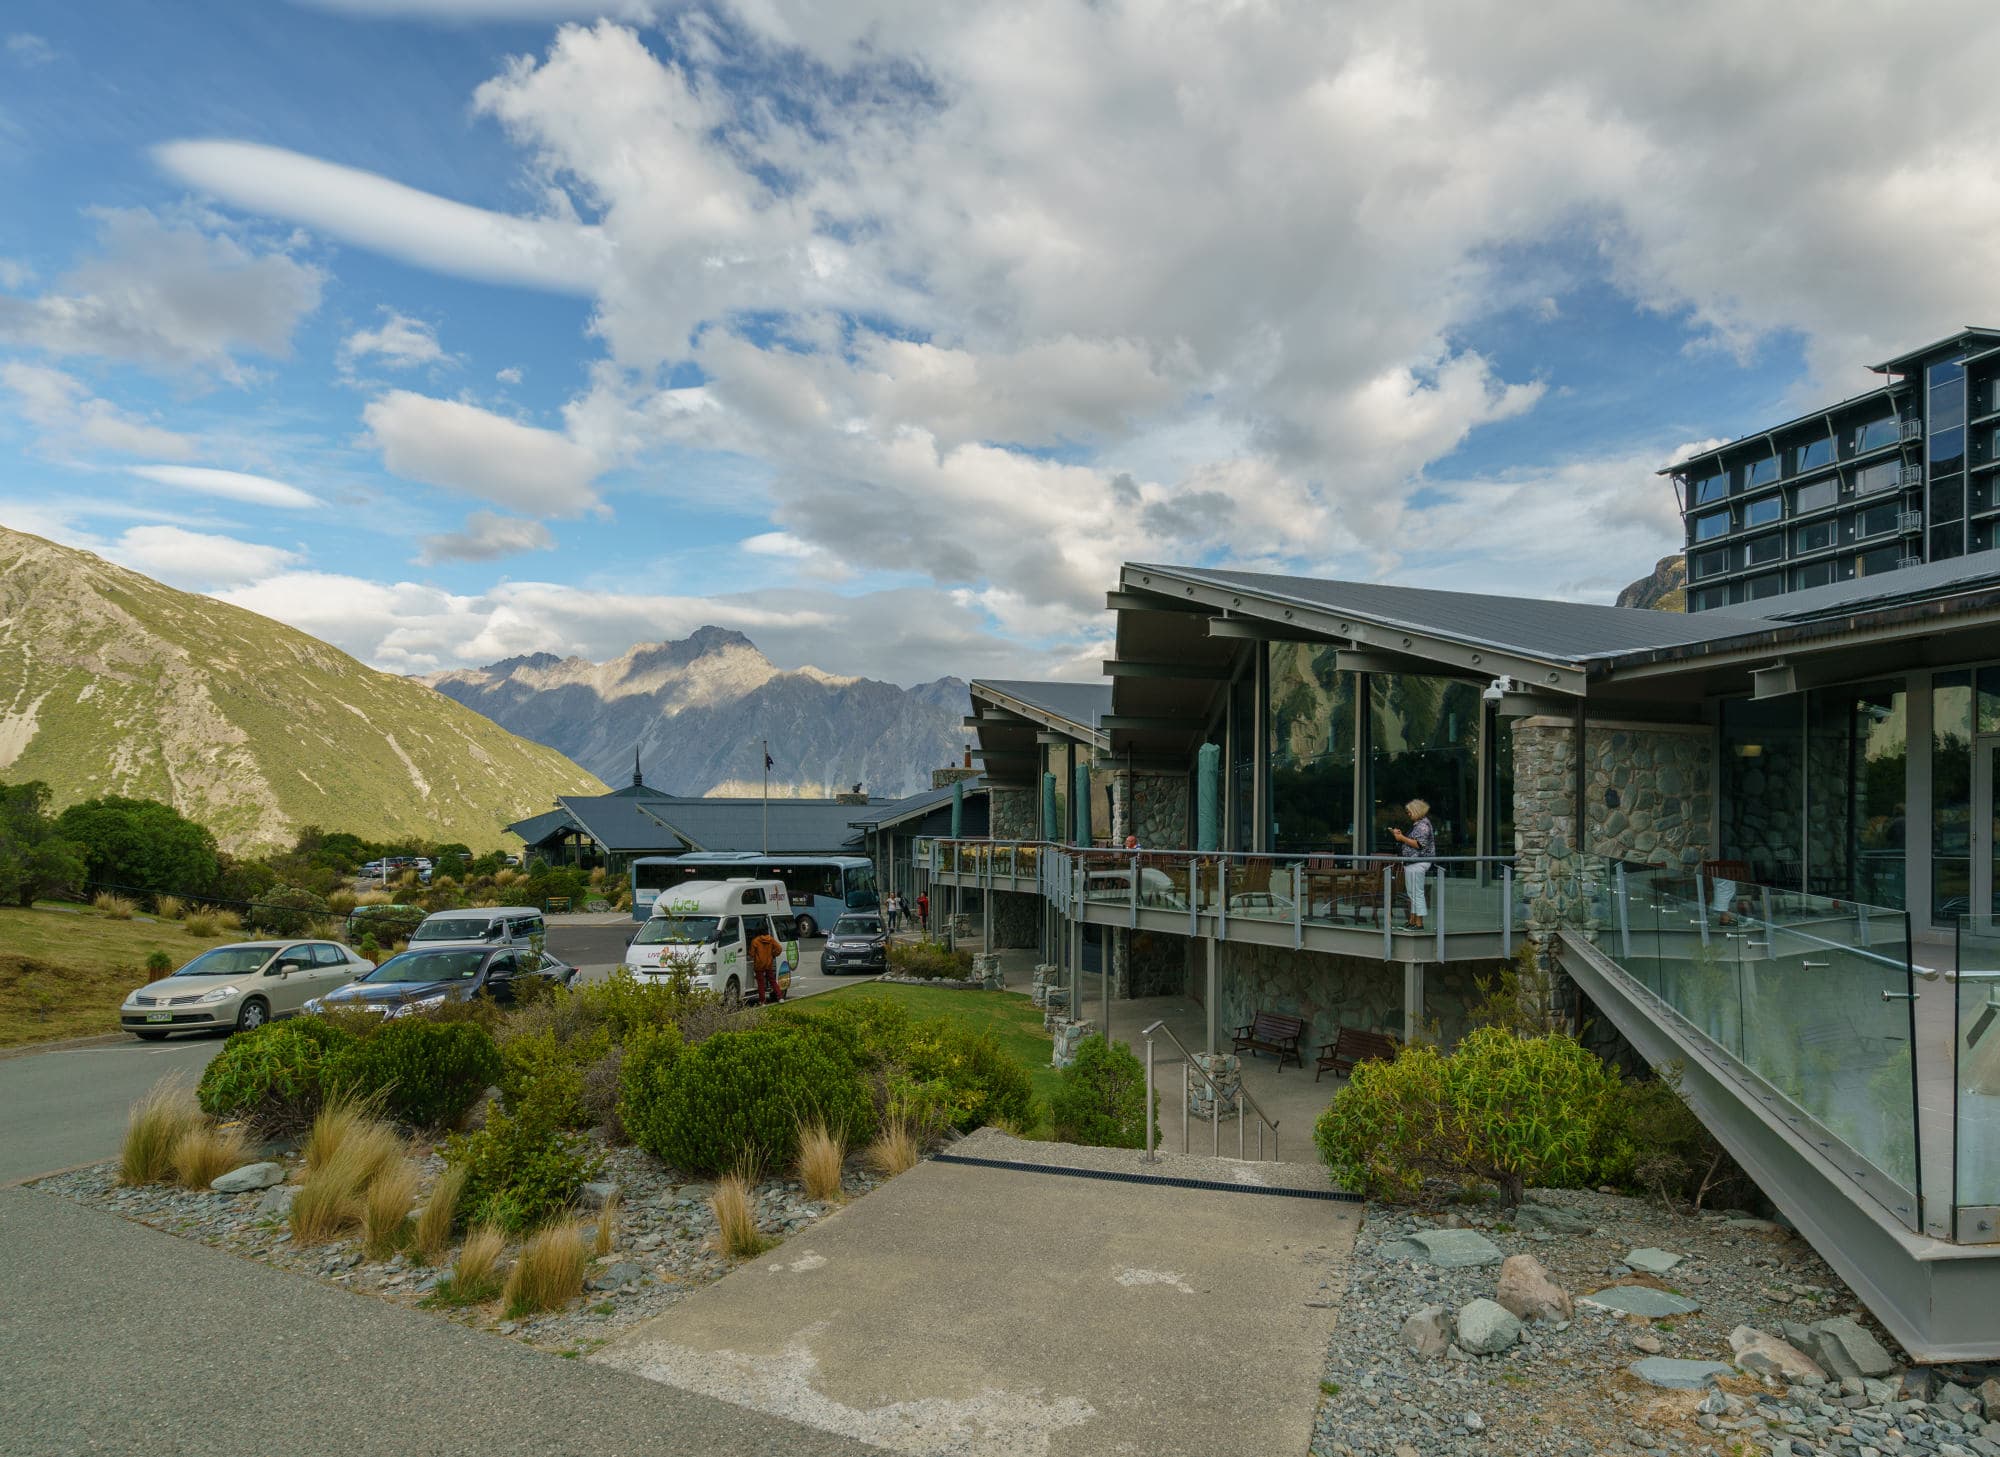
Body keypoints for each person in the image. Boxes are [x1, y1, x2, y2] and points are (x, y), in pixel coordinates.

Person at [1390, 798, 1435, 930]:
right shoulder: (1419, 824)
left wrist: (1401, 838)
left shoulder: (1423, 826)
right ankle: (1413, 920)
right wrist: (1401, 836)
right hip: (1412, 862)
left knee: (1417, 892)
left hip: (1418, 862)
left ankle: (1419, 922)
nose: (1408, 814)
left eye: (1409, 811)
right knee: (1412, 892)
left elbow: (1419, 844)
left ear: (1416, 811)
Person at [748, 924, 783, 1005]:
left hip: (759, 965)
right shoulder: (771, 939)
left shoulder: (755, 941)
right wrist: (773, 954)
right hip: (768, 963)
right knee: (772, 981)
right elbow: (779, 949)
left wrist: (750, 953)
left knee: (761, 983)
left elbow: (752, 954)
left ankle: (762, 1001)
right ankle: (780, 997)